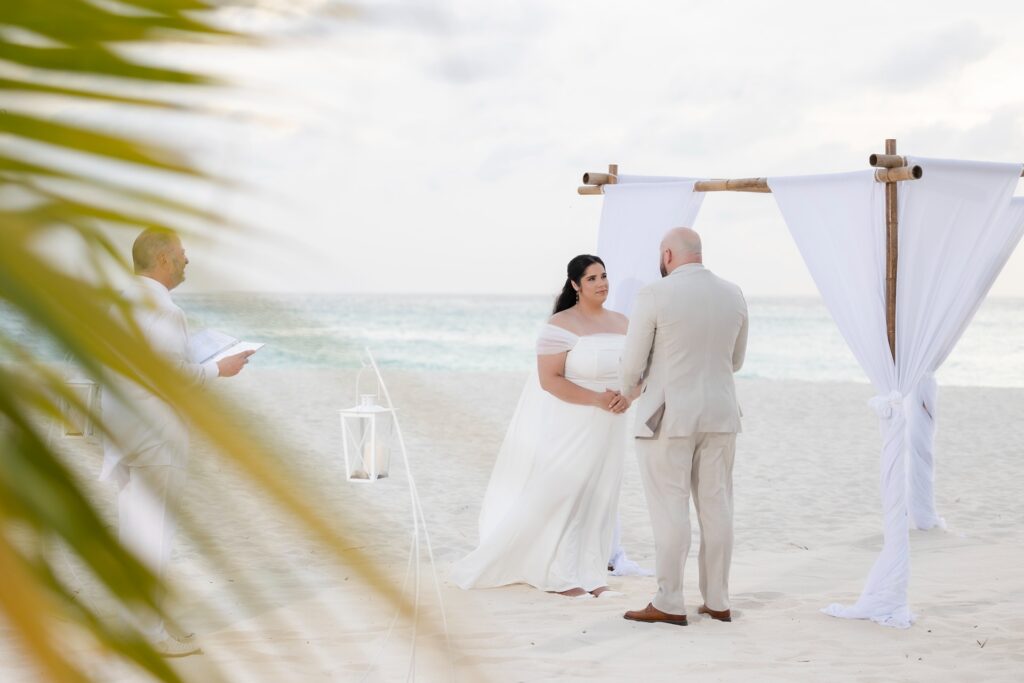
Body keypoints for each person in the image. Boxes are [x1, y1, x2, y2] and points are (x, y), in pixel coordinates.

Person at [100, 229, 254, 656]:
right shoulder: (163, 310)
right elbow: (168, 375)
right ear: (164, 260)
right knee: (153, 531)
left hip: (123, 427)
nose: (187, 262)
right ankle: (148, 637)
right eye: (183, 256)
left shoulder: (120, 300)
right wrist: (217, 369)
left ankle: (141, 624)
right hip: (154, 433)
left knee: (134, 528)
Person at [452, 255, 633, 597]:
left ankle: (591, 573)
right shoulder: (561, 325)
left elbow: (639, 370)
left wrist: (630, 397)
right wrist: (596, 399)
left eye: (604, 276)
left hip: (611, 425)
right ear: (575, 285)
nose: (602, 283)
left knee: (600, 493)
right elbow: (549, 380)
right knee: (561, 490)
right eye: (592, 278)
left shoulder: (623, 322)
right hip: (574, 421)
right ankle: (558, 573)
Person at [620, 227, 747, 626]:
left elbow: (631, 363)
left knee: (669, 507)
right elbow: (736, 361)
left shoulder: (655, 294)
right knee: (717, 507)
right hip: (722, 414)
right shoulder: (734, 293)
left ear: (669, 255)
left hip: (668, 417)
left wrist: (630, 390)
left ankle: (670, 601)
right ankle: (718, 600)